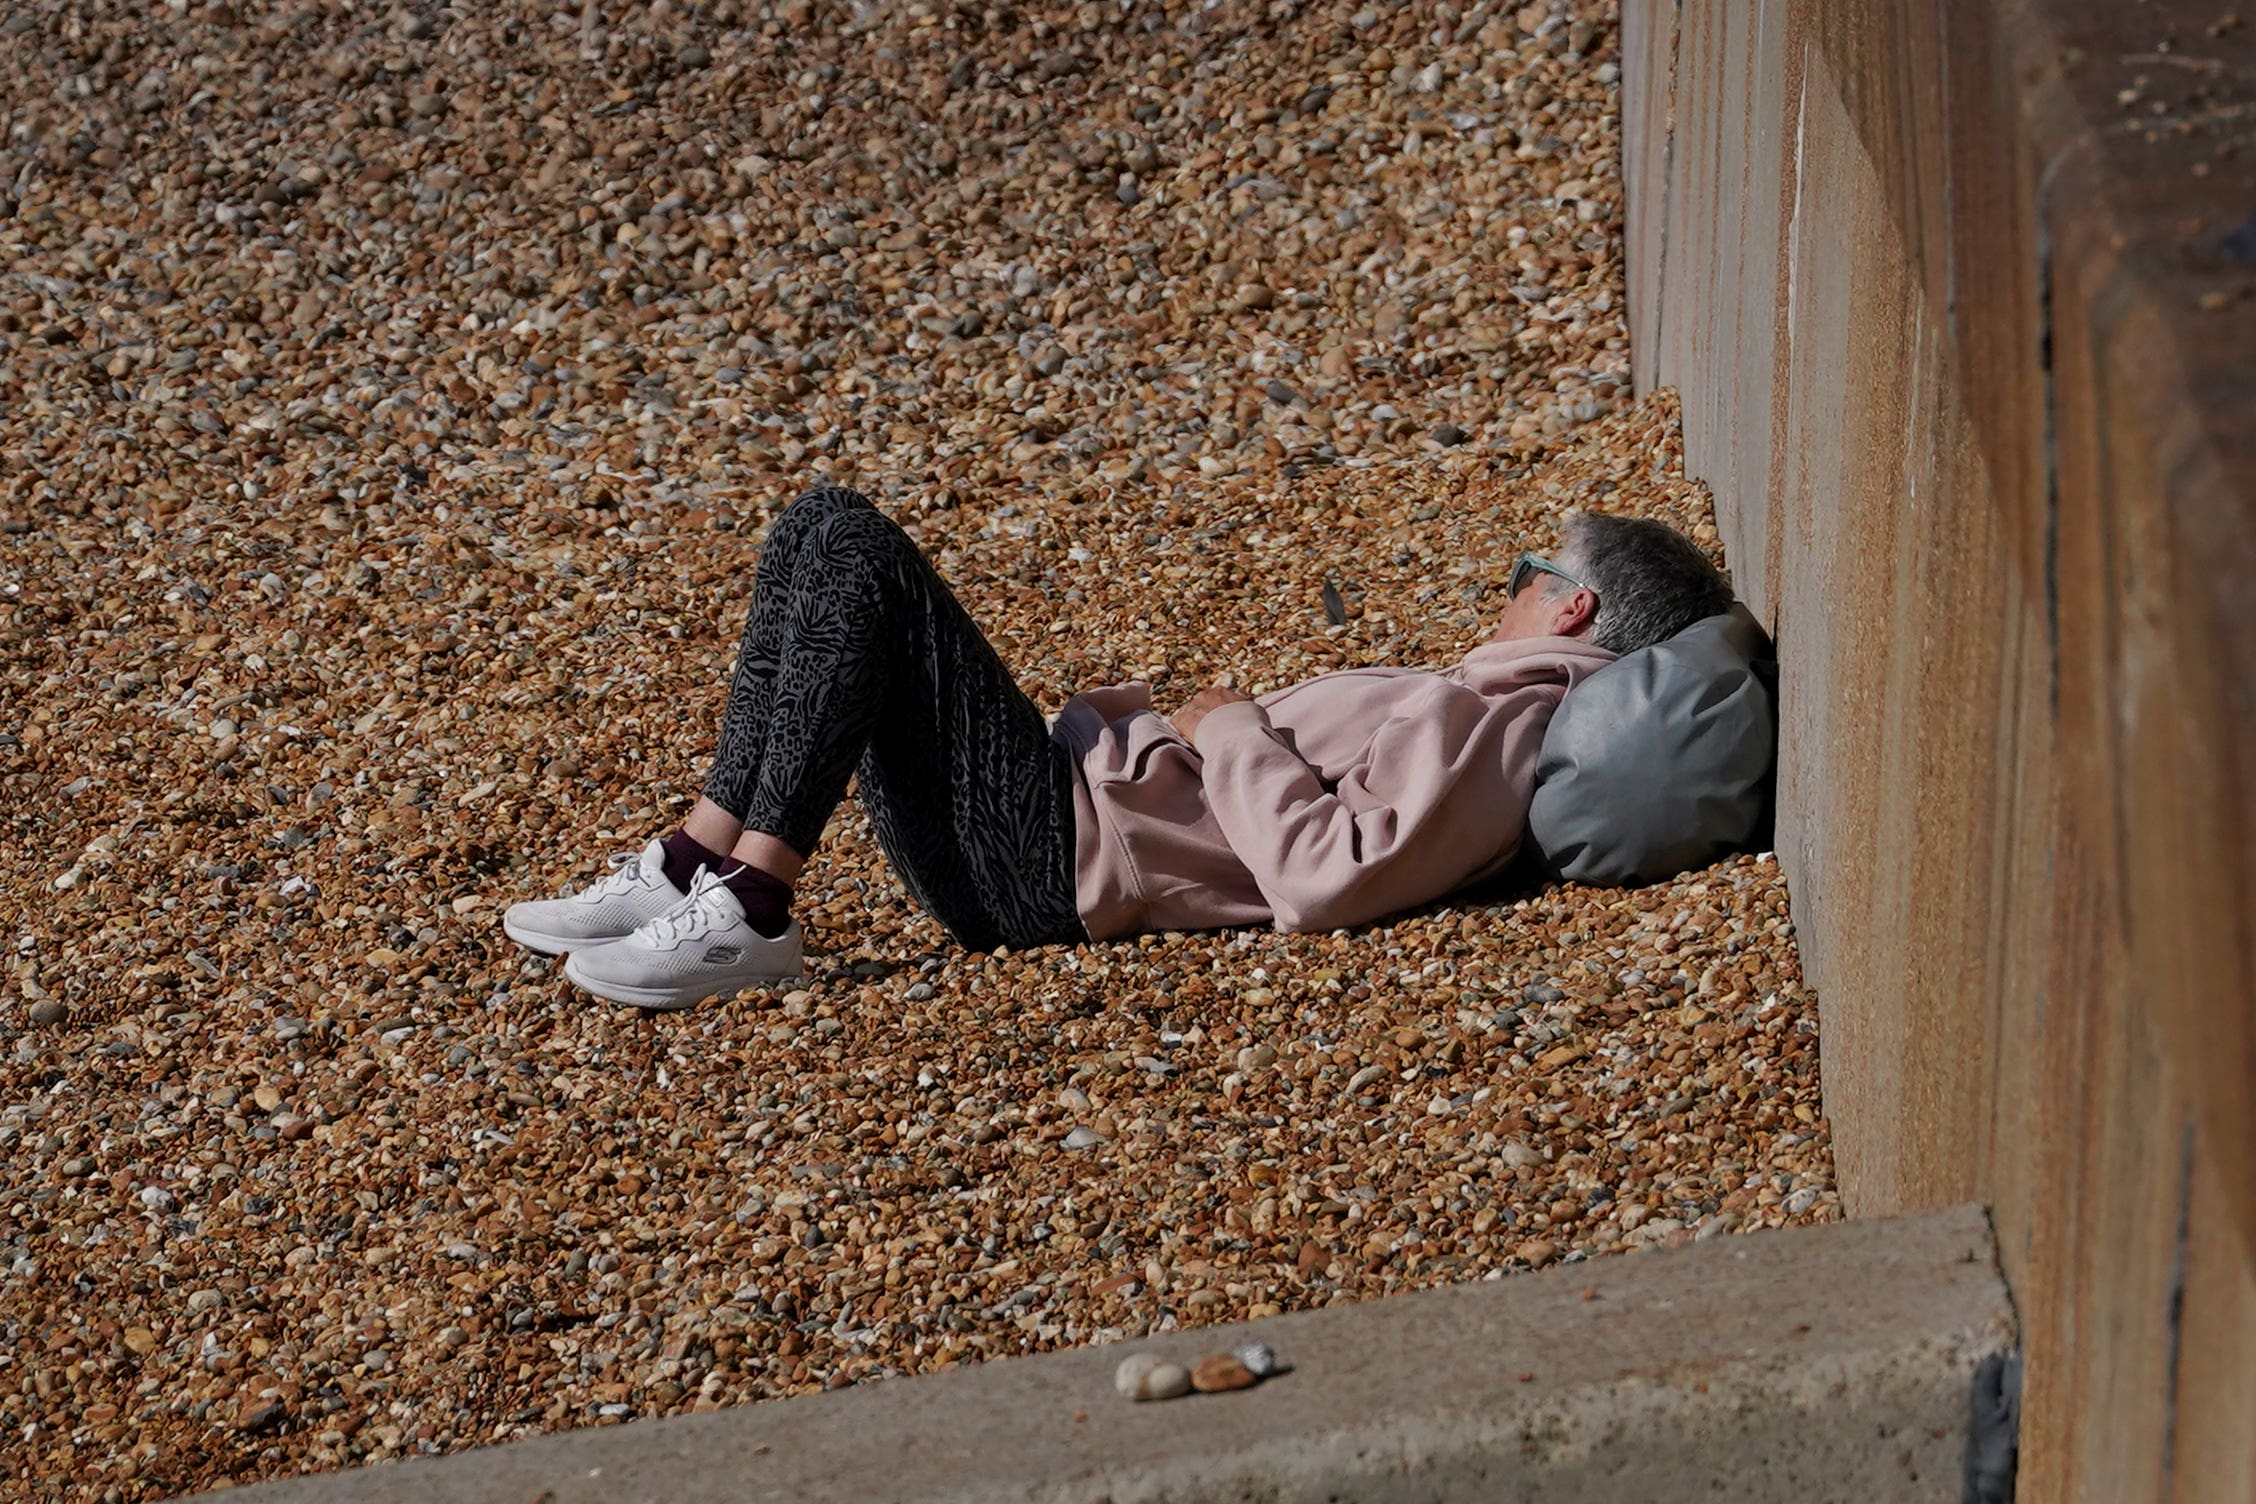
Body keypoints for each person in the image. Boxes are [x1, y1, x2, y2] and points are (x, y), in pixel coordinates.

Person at [501, 484, 1734, 1009]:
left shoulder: (1503, 718)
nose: (1508, 585)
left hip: (1057, 863)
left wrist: (1229, 724)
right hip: (1059, 835)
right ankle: (697, 861)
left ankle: (756, 906)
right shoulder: (1491, 700)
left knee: (855, 549)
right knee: (818, 533)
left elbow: (1332, 875)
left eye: (1530, 570)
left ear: (1571, 609)